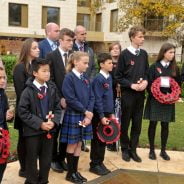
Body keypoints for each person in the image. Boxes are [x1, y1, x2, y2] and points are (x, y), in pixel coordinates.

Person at [18, 58, 61, 184]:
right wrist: (40, 124)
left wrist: (53, 122)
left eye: (48, 71)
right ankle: (31, 181)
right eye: (44, 71)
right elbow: (23, 111)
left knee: (46, 160)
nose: (47, 73)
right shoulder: (28, 91)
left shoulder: (52, 89)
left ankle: (44, 180)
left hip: (49, 131)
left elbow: (58, 108)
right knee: (31, 160)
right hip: (33, 132)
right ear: (35, 73)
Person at [115, 26, 149, 162]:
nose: (143, 39)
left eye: (143, 36)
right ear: (132, 37)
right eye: (140, 36)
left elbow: (146, 72)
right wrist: (131, 85)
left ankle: (133, 149)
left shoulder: (144, 54)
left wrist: (146, 82)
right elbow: (118, 76)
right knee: (125, 123)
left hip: (140, 95)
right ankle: (125, 149)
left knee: (137, 123)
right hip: (128, 94)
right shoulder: (124, 54)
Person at [60, 51, 94, 183]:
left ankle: (75, 171)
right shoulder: (69, 78)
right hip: (74, 114)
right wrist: (85, 111)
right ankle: (70, 173)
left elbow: (91, 96)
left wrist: (89, 114)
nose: (87, 66)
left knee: (79, 142)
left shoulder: (85, 77)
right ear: (75, 62)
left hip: (85, 115)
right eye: (85, 63)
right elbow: (70, 99)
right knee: (72, 143)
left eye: (88, 63)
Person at [144, 43, 181, 161]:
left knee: (165, 125)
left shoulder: (175, 68)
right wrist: (156, 95)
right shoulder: (154, 67)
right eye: (170, 52)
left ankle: (163, 151)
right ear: (163, 53)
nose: (173, 55)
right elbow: (149, 83)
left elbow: (178, 84)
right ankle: (151, 150)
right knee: (153, 124)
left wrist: (170, 96)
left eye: (174, 52)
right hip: (155, 99)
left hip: (169, 100)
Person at [46, 28, 75, 172]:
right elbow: (49, 80)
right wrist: (60, 98)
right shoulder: (51, 56)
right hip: (56, 102)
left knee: (66, 131)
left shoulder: (73, 57)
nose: (71, 43)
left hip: (70, 102)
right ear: (60, 40)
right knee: (55, 131)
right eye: (68, 40)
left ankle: (61, 157)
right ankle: (52, 159)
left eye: (72, 40)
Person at [13, 38, 40, 177]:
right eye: (35, 48)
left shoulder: (35, 65)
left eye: (38, 47)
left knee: (32, 140)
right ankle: (23, 169)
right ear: (27, 49)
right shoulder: (20, 67)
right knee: (23, 140)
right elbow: (20, 92)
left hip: (35, 110)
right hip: (24, 111)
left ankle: (31, 166)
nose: (38, 50)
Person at [89, 53, 114, 176]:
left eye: (112, 63)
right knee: (97, 139)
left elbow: (110, 97)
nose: (112, 65)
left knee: (104, 138)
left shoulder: (109, 77)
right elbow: (97, 99)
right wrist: (102, 116)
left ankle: (100, 161)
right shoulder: (98, 79)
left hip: (107, 113)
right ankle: (94, 164)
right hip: (99, 114)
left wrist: (112, 113)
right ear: (101, 65)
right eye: (109, 63)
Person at [73, 25, 96, 152]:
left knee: (85, 117)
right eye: (81, 34)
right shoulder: (72, 49)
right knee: (78, 116)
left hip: (87, 86)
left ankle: (81, 142)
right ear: (75, 35)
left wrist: (89, 81)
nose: (84, 36)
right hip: (76, 88)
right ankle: (75, 142)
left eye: (85, 33)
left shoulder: (90, 50)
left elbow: (93, 68)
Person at [0, 67, 14, 183]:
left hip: (3, 136)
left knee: (2, 165)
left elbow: (6, 116)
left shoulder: (3, 95)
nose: (3, 80)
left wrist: (9, 116)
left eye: (4, 77)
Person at [107, 42, 121, 152]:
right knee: (110, 117)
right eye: (113, 49)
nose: (115, 50)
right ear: (110, 51)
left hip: (120, 94)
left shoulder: (122, 63)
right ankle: (109, 140)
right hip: (109, 93)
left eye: (117, 48)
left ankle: (118, 140)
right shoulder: (107, 64)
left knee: (119, 117)